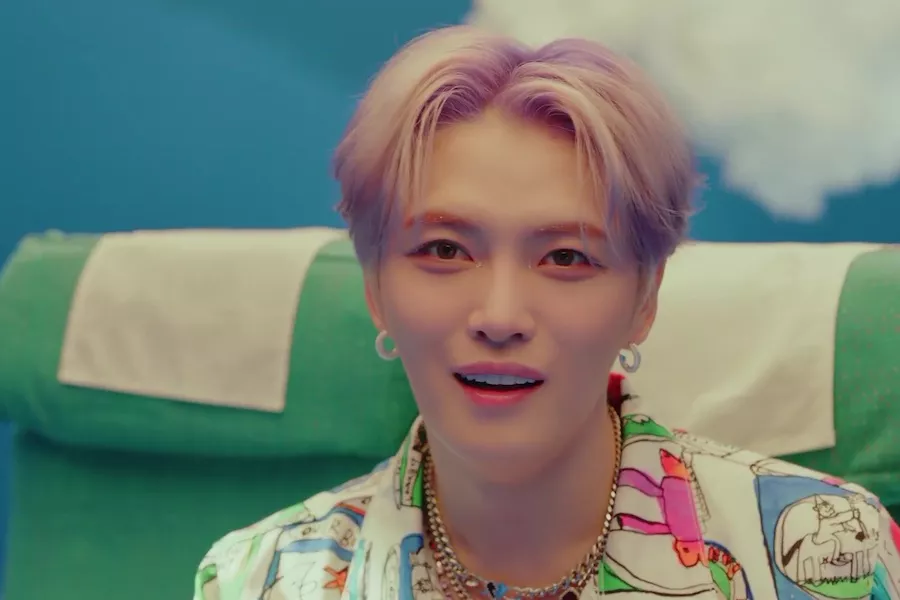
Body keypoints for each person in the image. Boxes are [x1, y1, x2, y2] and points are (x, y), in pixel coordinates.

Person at [192, 25, 900, 600]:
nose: (500, 316)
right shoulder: (257, 581)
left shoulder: (827, 558)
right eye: (444, 249)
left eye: (565, 257)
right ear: (376, 287)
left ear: (645, 299)